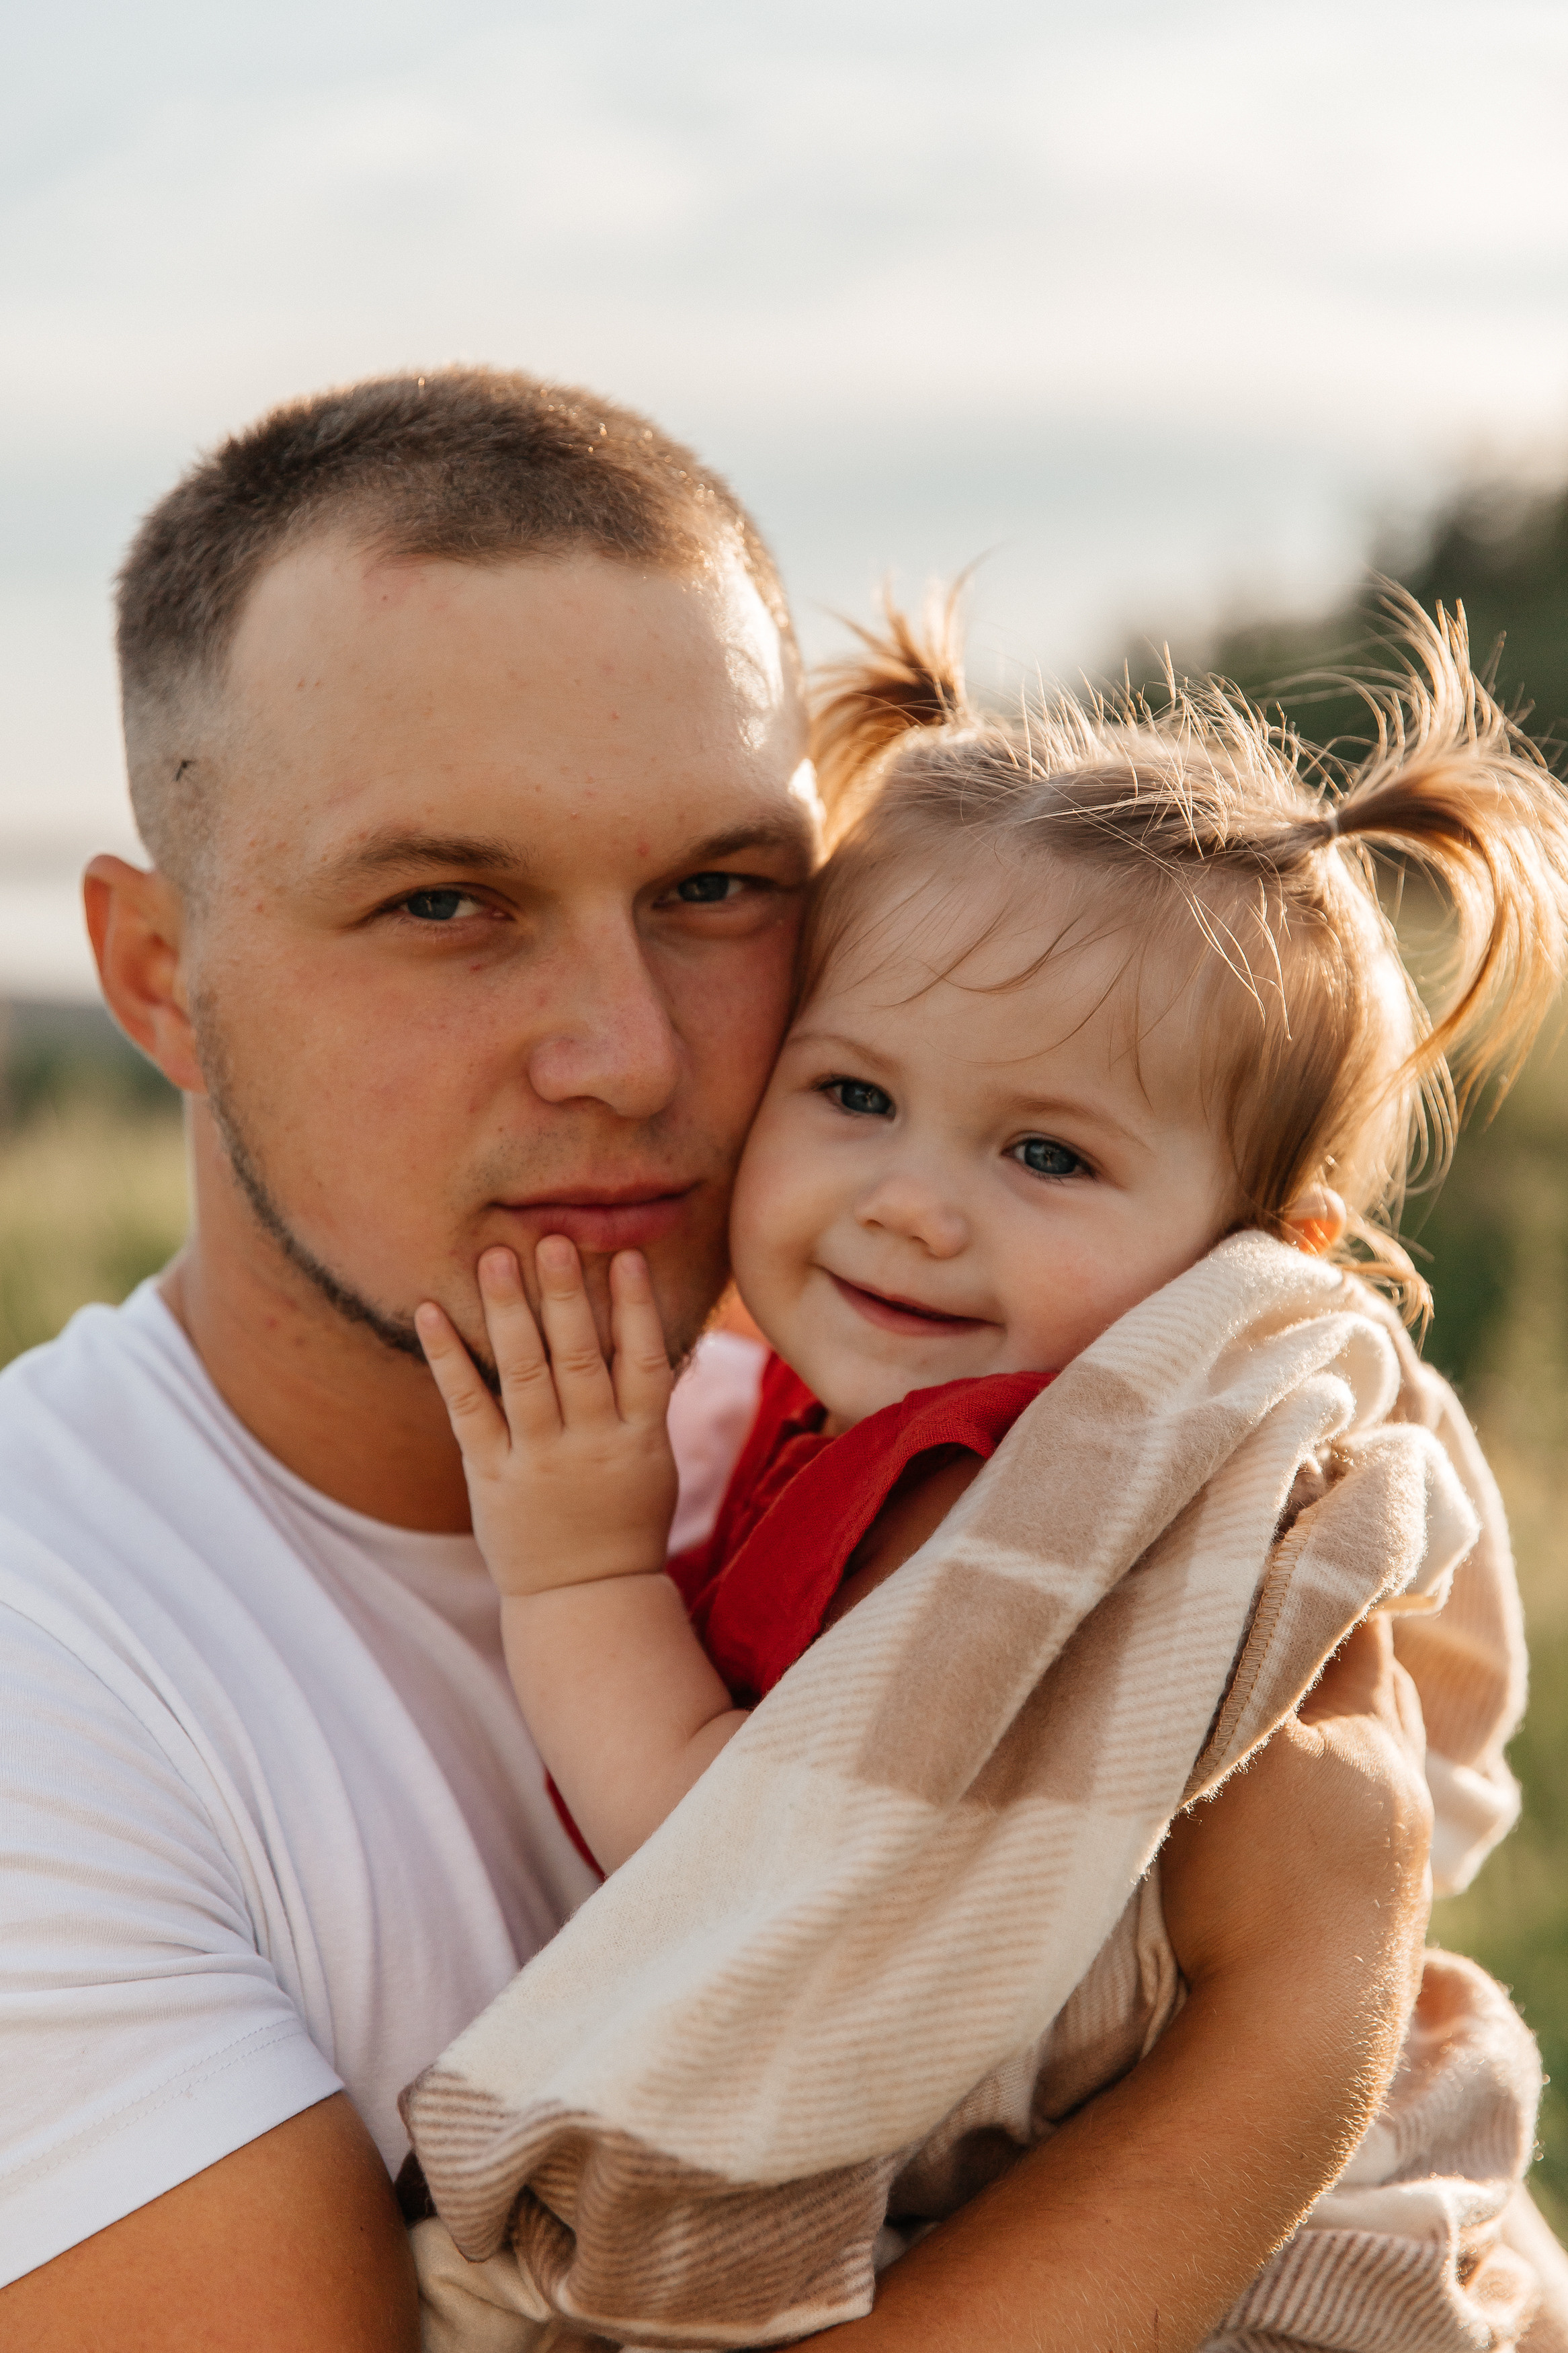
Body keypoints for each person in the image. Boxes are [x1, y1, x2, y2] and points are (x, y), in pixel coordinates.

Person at [0, 366, 1481, 2352]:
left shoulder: (939, 1427)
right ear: (159, 979)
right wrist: (1287, 2041)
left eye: (712, 889)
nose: (625, 1051)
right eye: (446, 902)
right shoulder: (54, 1658)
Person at [418, 590, 1565, 1879]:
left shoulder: (995, 1504)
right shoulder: (874, 1392)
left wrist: (577, 1575)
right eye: (855, 1096)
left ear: (1262, 1262)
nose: (906, 1204)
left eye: (1047, 1155)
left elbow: (728, 1882)